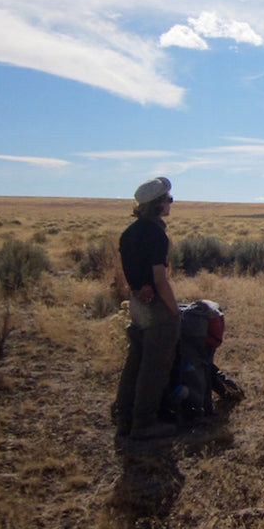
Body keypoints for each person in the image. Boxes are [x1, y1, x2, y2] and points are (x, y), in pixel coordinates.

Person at [113, 177, 180, 440]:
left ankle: (124, 418)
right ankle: (144, 423)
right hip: (155, 306)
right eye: (168, 199)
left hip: (136, 302)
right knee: (154, 365)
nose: (170, 203)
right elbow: (160, 279)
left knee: (135, 361)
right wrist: (174, 310)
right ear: (157, 204)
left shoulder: (129, 232)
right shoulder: (156, 235)